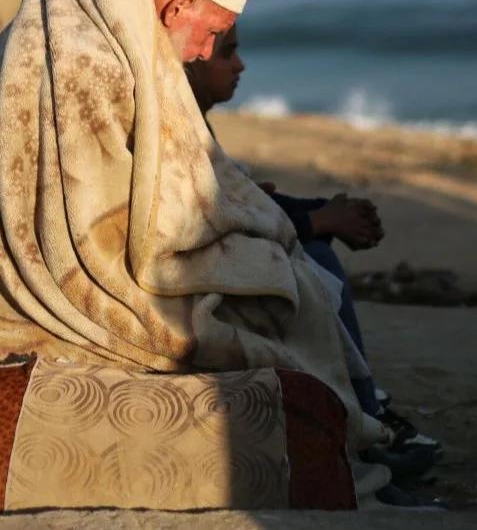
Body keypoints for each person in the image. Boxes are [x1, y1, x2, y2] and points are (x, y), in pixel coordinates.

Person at [0, 0, 400, 502]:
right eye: (214, 36)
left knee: (282, 266)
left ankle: (360, 416)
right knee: (272, 293)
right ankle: (348, 427)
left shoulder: (86, 11)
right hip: (55, 279)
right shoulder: (91, 61)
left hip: (39, 246)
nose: (205, 53)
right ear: (178, 7)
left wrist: (247, 208)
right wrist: (253, 217)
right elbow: (115, 228)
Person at [185, 25, 443, 480]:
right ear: (190, 63)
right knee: (314, 257)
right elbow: (213, 218)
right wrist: (318, 222)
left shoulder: (196, 126)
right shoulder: (179, 134)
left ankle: (365, 403)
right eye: (228, 54)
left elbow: (249, 200)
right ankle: (365, 414)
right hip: (204, 285)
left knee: (315, 243)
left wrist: (324, 212)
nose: (240, 65)